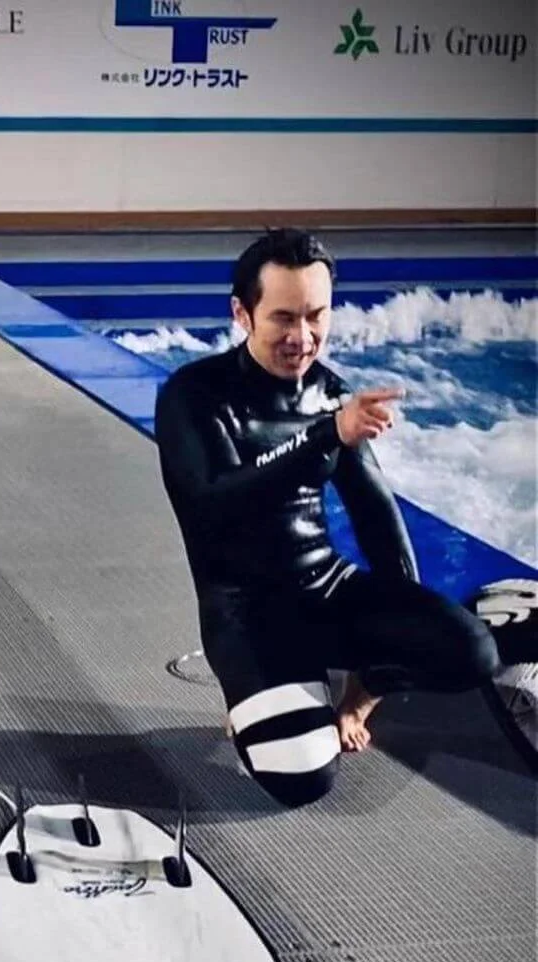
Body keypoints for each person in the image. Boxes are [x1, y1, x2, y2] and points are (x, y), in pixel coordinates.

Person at [154, 229, 498, 807]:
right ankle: (255, 694)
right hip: (246, 614)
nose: (303, 337)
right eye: (284, 318)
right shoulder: (194, 396)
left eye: (316, 316)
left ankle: (345, 696)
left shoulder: (330, 394)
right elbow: (213, 504)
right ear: (242, 313)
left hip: (325, 589)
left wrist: (388, 652)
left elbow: (377, 518)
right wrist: (325, 436)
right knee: (304, 780)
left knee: (472, 652)